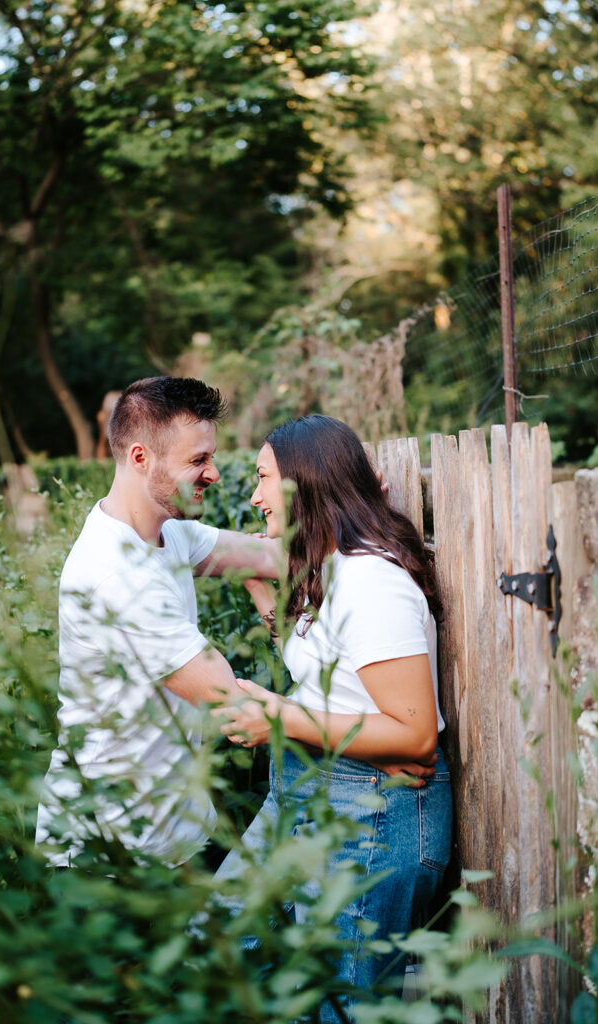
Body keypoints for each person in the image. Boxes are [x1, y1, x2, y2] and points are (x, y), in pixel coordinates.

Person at [35, 378, 436, 868]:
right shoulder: (115, 576)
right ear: (141, 458)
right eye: (197, 461)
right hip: (108, 849)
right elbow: (236, 705)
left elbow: (271, 555)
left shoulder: (168, 533)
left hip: (173, 829)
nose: (215, 474)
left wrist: (342, 502)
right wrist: (376, 745)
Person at [214, 414, 453, 1011]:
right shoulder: (331, 569)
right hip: (311, 786)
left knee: (335, 1004)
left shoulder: (371, 582)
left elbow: (415, 733)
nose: (253, 496)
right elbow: (321, 676)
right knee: (216, 941)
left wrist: (277, 718)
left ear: (305, 483)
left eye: (263, 478)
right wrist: (259, 589)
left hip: (372, 808)